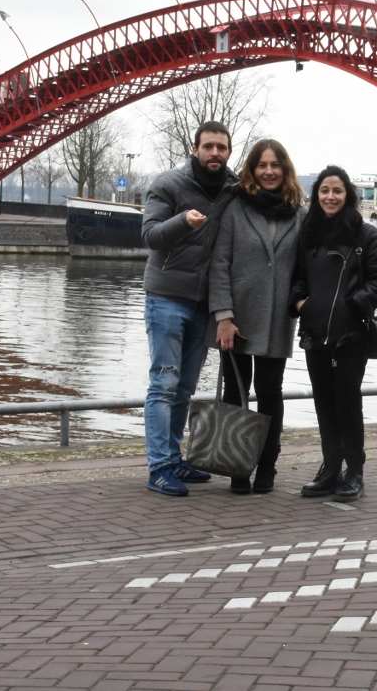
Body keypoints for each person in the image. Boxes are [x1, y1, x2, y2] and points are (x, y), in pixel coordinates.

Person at [141, 121, 238, 496]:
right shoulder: (169, 184)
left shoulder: (233, 189)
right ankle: (159, 467)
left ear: (229, 152)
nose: (215, 153)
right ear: (195, 149)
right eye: (208, 146)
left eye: (221, 147)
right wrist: (183, 221)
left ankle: (174, 458)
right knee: (163, 383)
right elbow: (150, 236)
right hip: (166, 297)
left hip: (204, 305)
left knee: (184, 388)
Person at [289, 166, 377, 502]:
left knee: (347, 404)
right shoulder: (308, 234)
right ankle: (331, 469)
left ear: (347, 195)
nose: (330, 197)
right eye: (324, 191)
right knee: (323, 404)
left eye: (337, 191)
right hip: (315, 335)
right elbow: (297, 277)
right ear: (316, 195)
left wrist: (353, 305)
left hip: (351, 336)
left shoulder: (365, 235)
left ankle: (355, 472)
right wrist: (302, 304)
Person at [208, 139, 306, 495]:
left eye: (275, 165)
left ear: (285, 169)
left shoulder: (299, 214)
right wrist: (223, 316)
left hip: (277, 319)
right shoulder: (235, 208)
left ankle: (267, 465)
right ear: (252, 169)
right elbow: (219, 264)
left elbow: (305, 269)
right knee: (236, 391)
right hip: (236, 318)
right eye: (262, 165)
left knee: (270, 393)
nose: (268, 172)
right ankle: (237, 465)